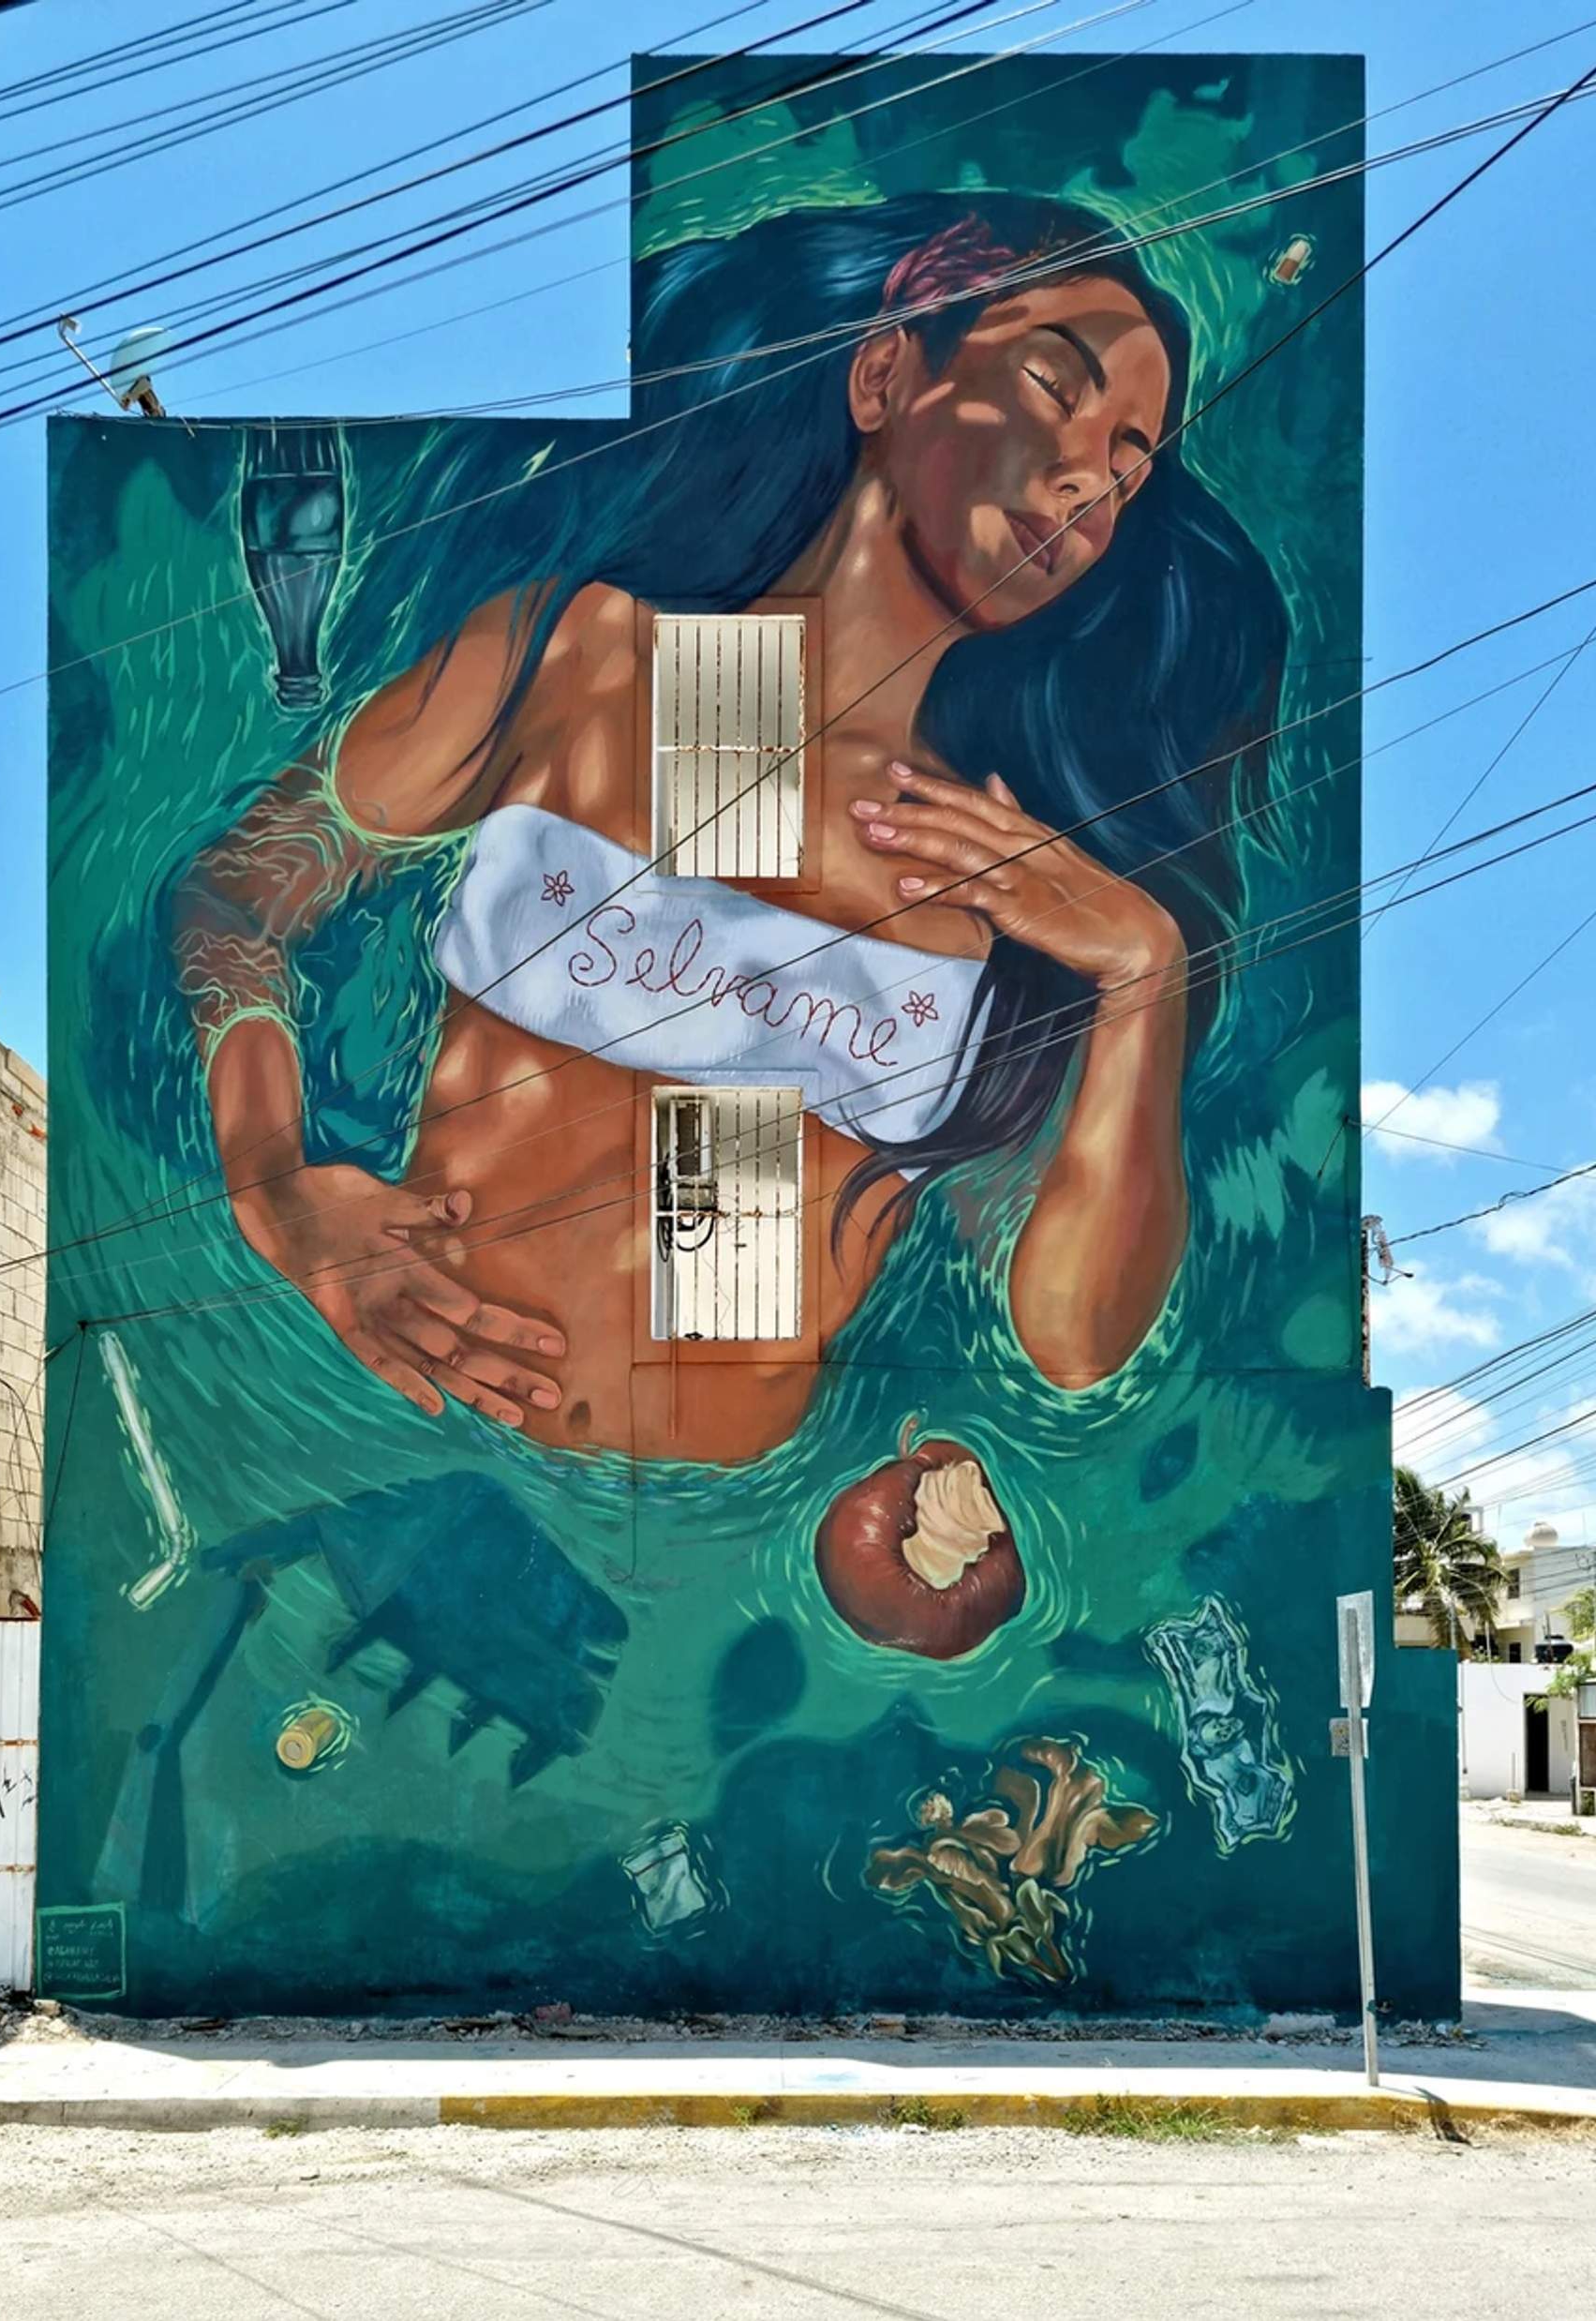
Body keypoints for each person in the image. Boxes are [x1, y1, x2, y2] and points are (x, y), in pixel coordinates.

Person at [173, 195, 1288, 1468]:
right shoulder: (602, 658)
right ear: (884, 375)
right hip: (415, 1450)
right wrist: (273, 1189)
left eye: (1131, 468)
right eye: (1053, 386)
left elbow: (1073, 1337)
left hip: (706, 1542)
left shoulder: (1006, 867)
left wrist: (1146, 968)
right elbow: (237, 896)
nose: (1092, 475)